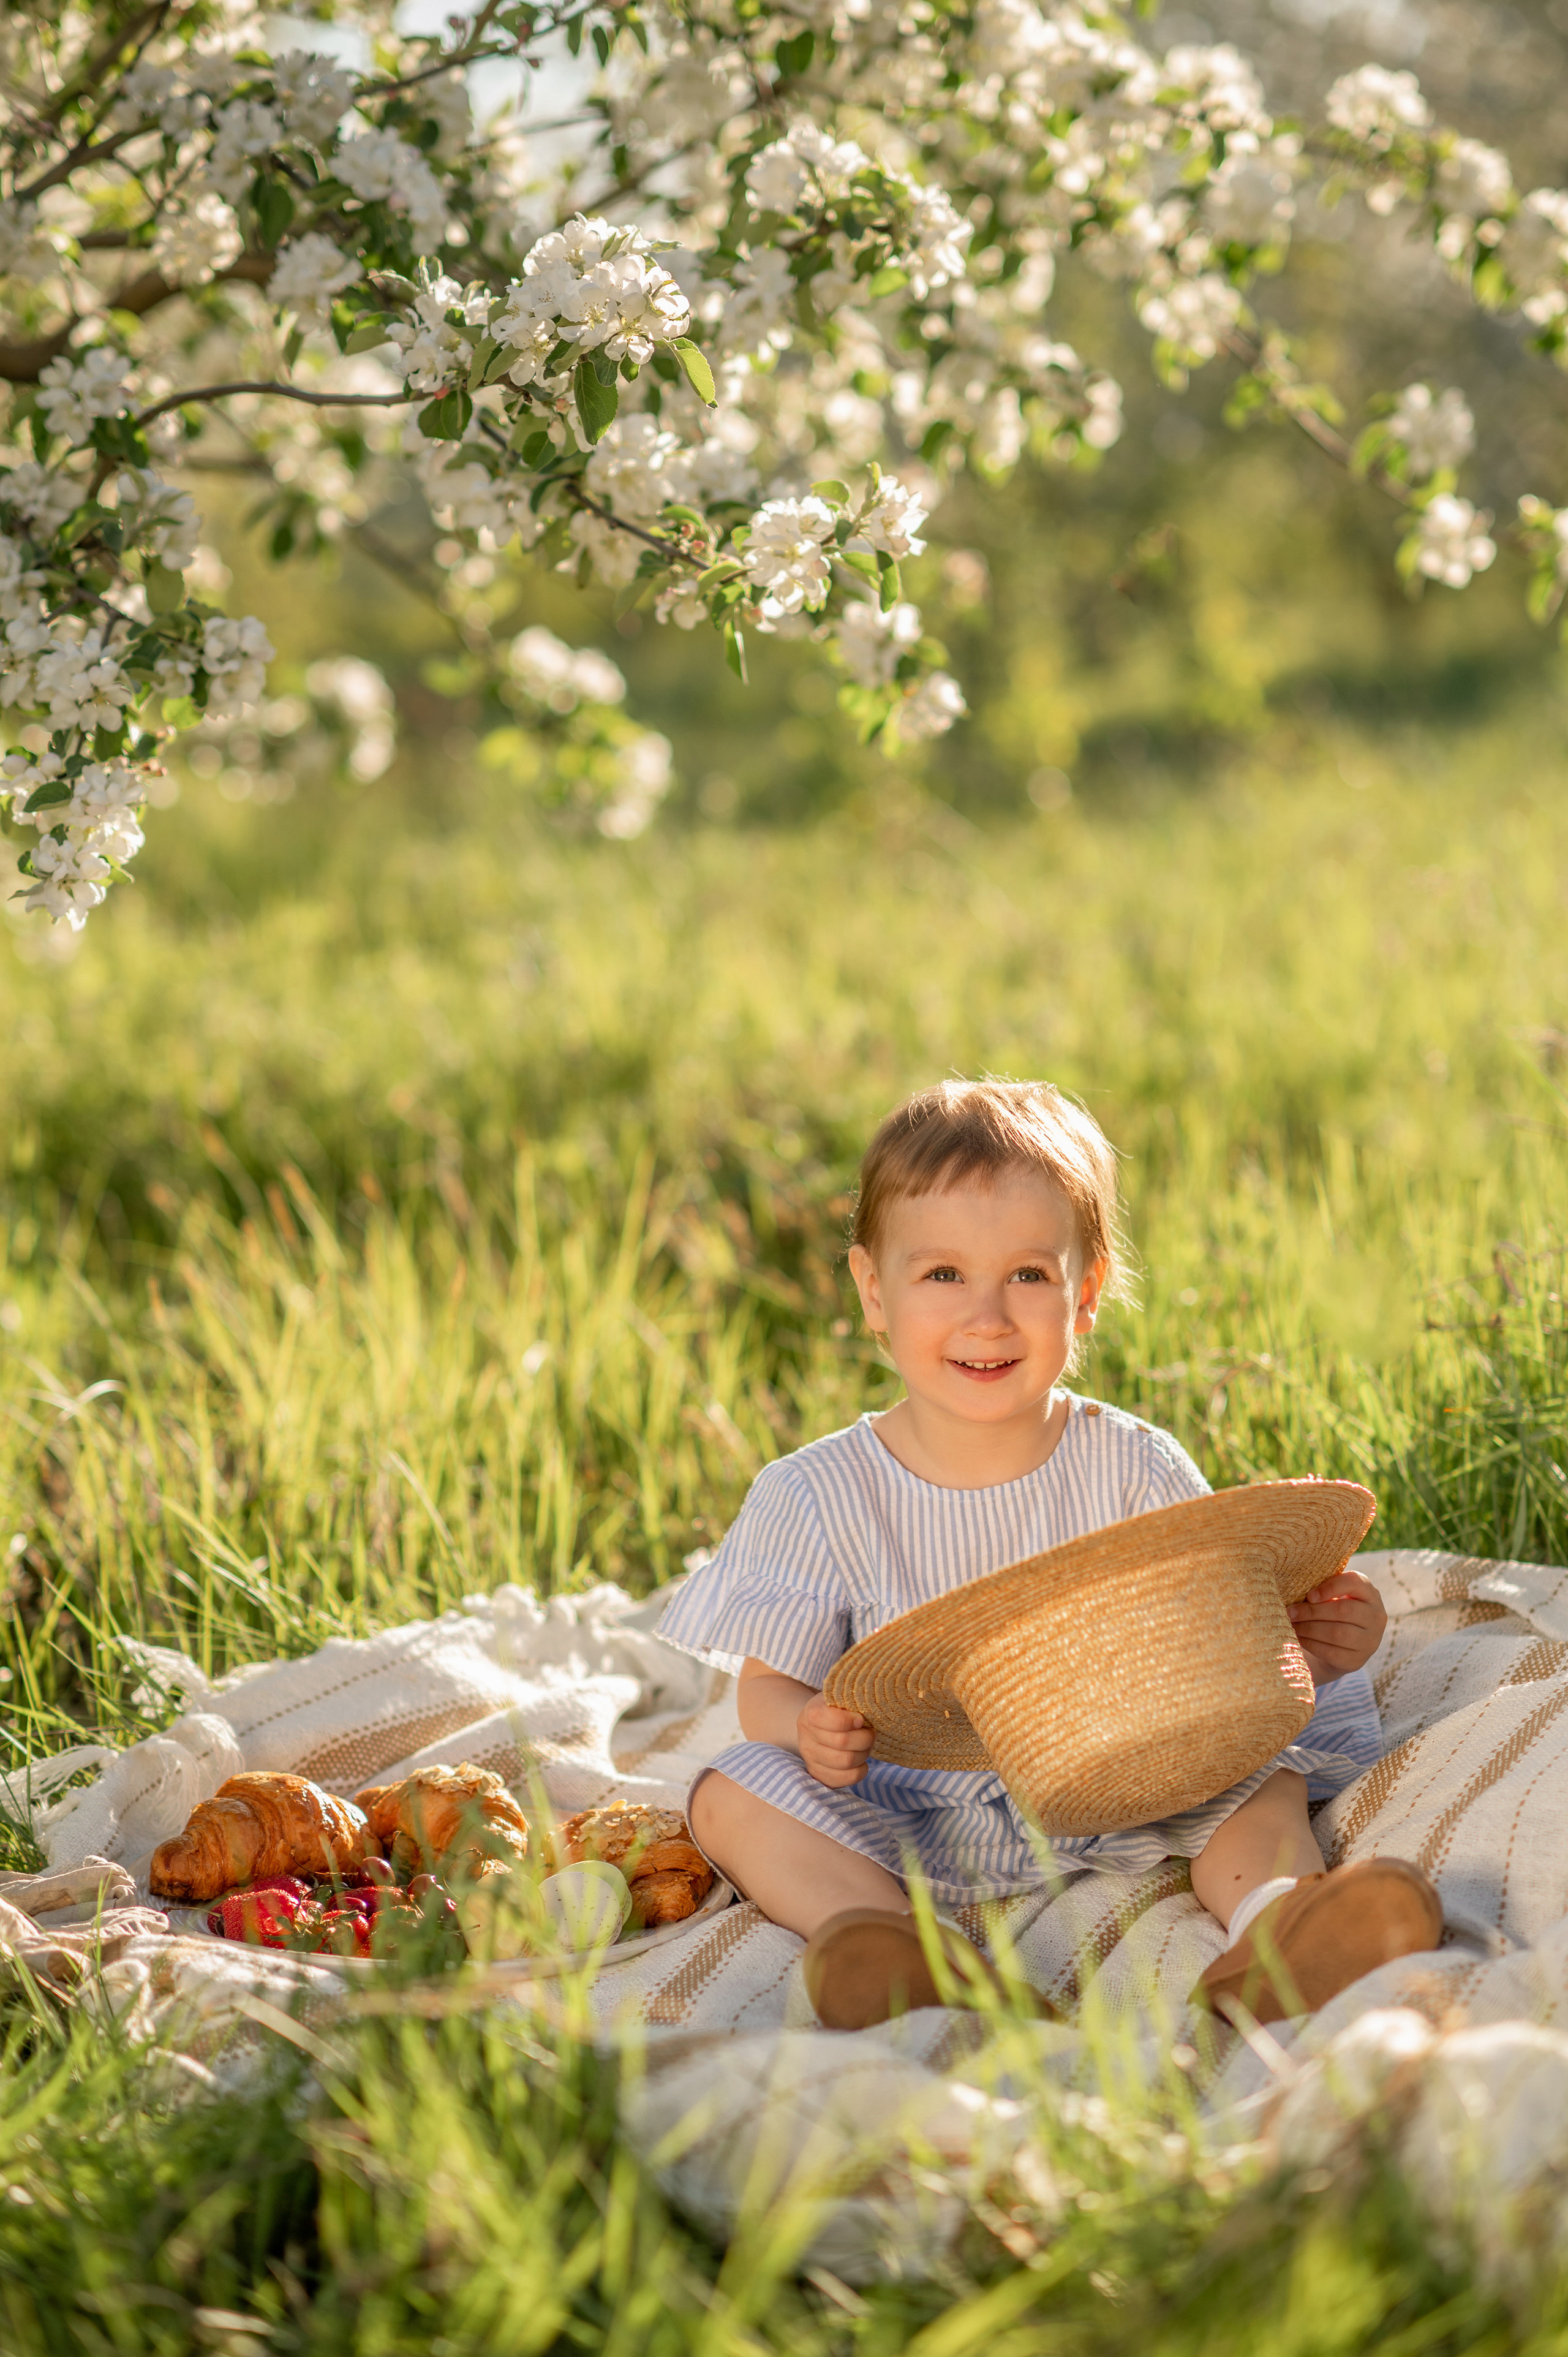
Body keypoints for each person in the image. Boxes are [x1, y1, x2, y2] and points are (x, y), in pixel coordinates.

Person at [657, 1080, 1441, 2029]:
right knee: (734, 1793)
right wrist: (808, 1727)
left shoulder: (1131, 1463)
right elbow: (763, 1692)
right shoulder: (818, 1493)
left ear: (1088, 1293)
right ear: (874, 1290)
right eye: (942, 1275)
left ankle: (1279, 1928)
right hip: (915, 1808)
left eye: (1028, 1275)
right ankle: (897, 1946)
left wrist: (1316, 1650)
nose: (987, 1317)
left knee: (1259, 1774)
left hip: (1133, 1774)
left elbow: (1214, 1650)